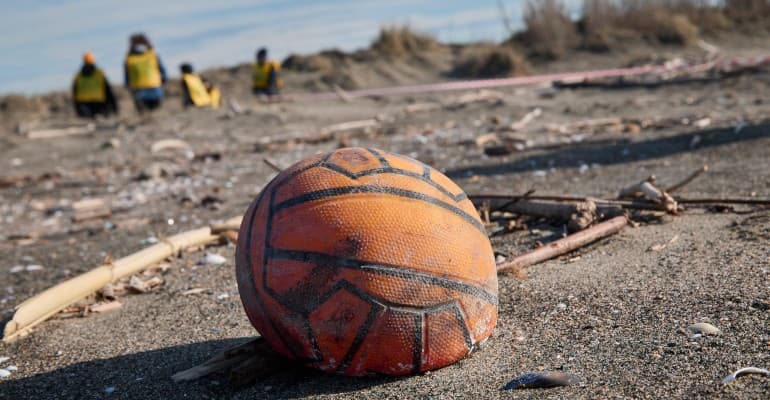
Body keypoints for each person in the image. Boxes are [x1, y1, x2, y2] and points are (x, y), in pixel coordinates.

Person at [124, 34, 167, 112]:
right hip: (152, 86)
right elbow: (162, 70)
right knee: (155, 111)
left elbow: (127, 75)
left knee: (146, 111)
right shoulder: (152, 54)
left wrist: (127, 85)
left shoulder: (129, 58)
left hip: (142, 88)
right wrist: (164, 79)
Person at [72, 52, 118, 118]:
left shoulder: (78, 76)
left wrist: (77, 107)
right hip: (99, 103)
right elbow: (108, 90)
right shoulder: (99, 73)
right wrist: (114, 106)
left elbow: (75, 92)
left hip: (83, 104)